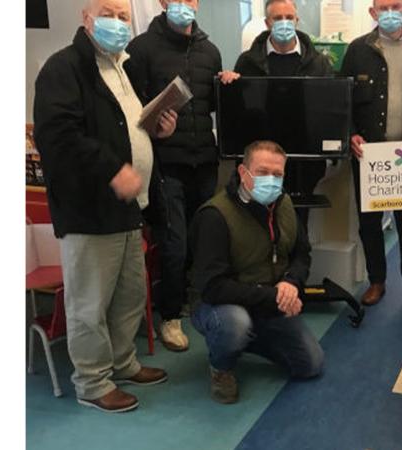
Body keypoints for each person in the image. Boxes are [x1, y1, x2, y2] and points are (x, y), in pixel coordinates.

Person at [33, 0, 176, 412]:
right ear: (86, 19)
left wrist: (156, 129)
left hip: (130, 207)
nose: (118, 22)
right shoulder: (64, 68)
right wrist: (112, 169)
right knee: (89, 303)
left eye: (123, 16)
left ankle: (122, 362)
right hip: (89, 211)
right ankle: (93, 382)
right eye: (108, 13)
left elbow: (123, 127)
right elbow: (58, 136)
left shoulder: (123, 68)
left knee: (129, 295)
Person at [125, 0, 239, 352]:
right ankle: (170, 316)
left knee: (203, 237)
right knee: (175, 243)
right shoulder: (141, 48)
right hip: (166, 163)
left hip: (204, 160)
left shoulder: (210, 50)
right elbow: (130, 110)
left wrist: (228, 85)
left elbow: (213, 106)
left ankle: (196, 298)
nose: (184, 4)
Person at [189, 140, 324, 404]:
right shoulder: (214, 215)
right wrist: (274, 296)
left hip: (267, 300)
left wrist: (292, 283)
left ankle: (246, 340)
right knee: (235, 325)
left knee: (310, 364)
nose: (271, 181)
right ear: (243, 172)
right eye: (262, 172)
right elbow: (213, 286)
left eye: (278, 174)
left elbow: (301, 253)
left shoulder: (285, 205)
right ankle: (221, 367)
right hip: (219, 304)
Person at [340, 0, 402, 317]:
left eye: (395, 5)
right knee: (369, 224)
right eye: (382, 7)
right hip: (369, 155)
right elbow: (342, 101)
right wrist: (351, 134)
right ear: (372, 13)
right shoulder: (357, 50)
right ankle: (376, 281)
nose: (389, 12)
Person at [233, 0, 334, 229]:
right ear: (267, 23)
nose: (284, 23)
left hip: (304, 162)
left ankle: (297, 255)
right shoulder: (248, 62)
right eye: (277, 18)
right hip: (261, 159)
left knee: (298, 226)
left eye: (289, 17)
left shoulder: (318, 63)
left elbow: (328, 110)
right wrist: (229, 84)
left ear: (297, 20)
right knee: (257, 224)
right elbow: (238, 112)